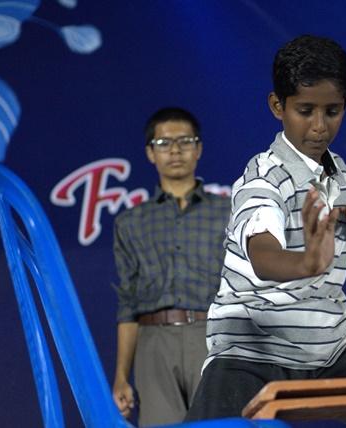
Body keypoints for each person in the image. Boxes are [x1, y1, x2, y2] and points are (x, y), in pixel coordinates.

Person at [185, 35, 346, 426]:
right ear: (278, 106)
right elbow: (262, 254)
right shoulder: (263, 178)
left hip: (331, 346)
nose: (320, 126)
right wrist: (307, 262)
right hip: (250, 349)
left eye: (332, 111)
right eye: (305, 110)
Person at [111, 107, 230, 426]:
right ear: (150, 153)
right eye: (164, 143)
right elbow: (128, 305)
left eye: (185, 141)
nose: (175, 151)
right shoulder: (130, 222)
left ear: (199, 149)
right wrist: (121, 376)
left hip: (215, 335)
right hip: (153, 342)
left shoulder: (229, 212)